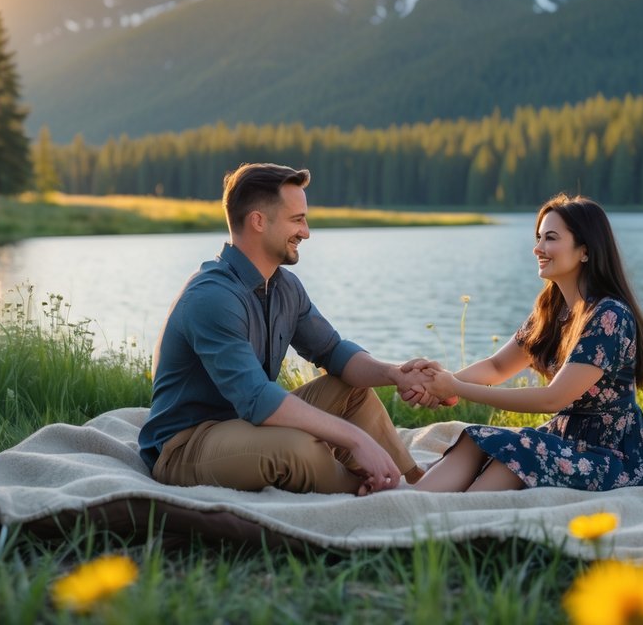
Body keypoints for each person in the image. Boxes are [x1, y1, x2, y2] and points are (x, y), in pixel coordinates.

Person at [138, 163, 440, 495]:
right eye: (297, 220)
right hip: (187, 445)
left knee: (349, 387)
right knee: (295, 448)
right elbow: (258, 399)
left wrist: (396, 373)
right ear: (258, 221)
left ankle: (415, 480)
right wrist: (355, 439)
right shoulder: (212, 298)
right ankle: (370, 487)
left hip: (245, 424)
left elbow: (333, 352)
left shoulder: (285, 287)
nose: (307, 232)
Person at [413, 194, 643, 492]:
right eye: (539, 237)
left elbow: (552, 399)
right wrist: (438, 384)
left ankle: (457, 518)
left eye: (551, 238)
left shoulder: (610, 316)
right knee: (475, 438)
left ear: (585, 250)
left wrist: (456, 388)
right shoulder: (552, 311)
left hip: (614, 454)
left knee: (519, 454)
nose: (538, 248)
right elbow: (496, 366)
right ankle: (412, 505)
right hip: (565, 439)